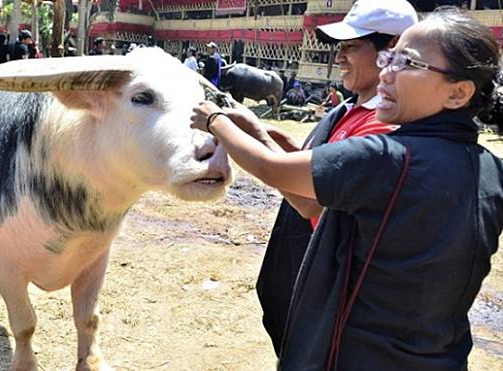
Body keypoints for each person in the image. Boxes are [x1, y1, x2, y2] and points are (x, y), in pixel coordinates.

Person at [191, 7, 503, 370]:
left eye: (406, 62)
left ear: (457, 93)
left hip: (357, 353)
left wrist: (215, 120)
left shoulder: (388, 156)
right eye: (389, 59)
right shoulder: (491, 169)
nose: (386, 72)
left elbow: (273, 169)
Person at [254, 0, 418, 356]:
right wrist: (285, 148)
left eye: (350, 47)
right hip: (307, 272)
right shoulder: (349, 109)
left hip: (335, 289)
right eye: (339, 48)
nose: (338, 58)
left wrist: (258, 149)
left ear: (391, 49)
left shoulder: (384, 125)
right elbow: (321, 167)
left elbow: (313, 202)